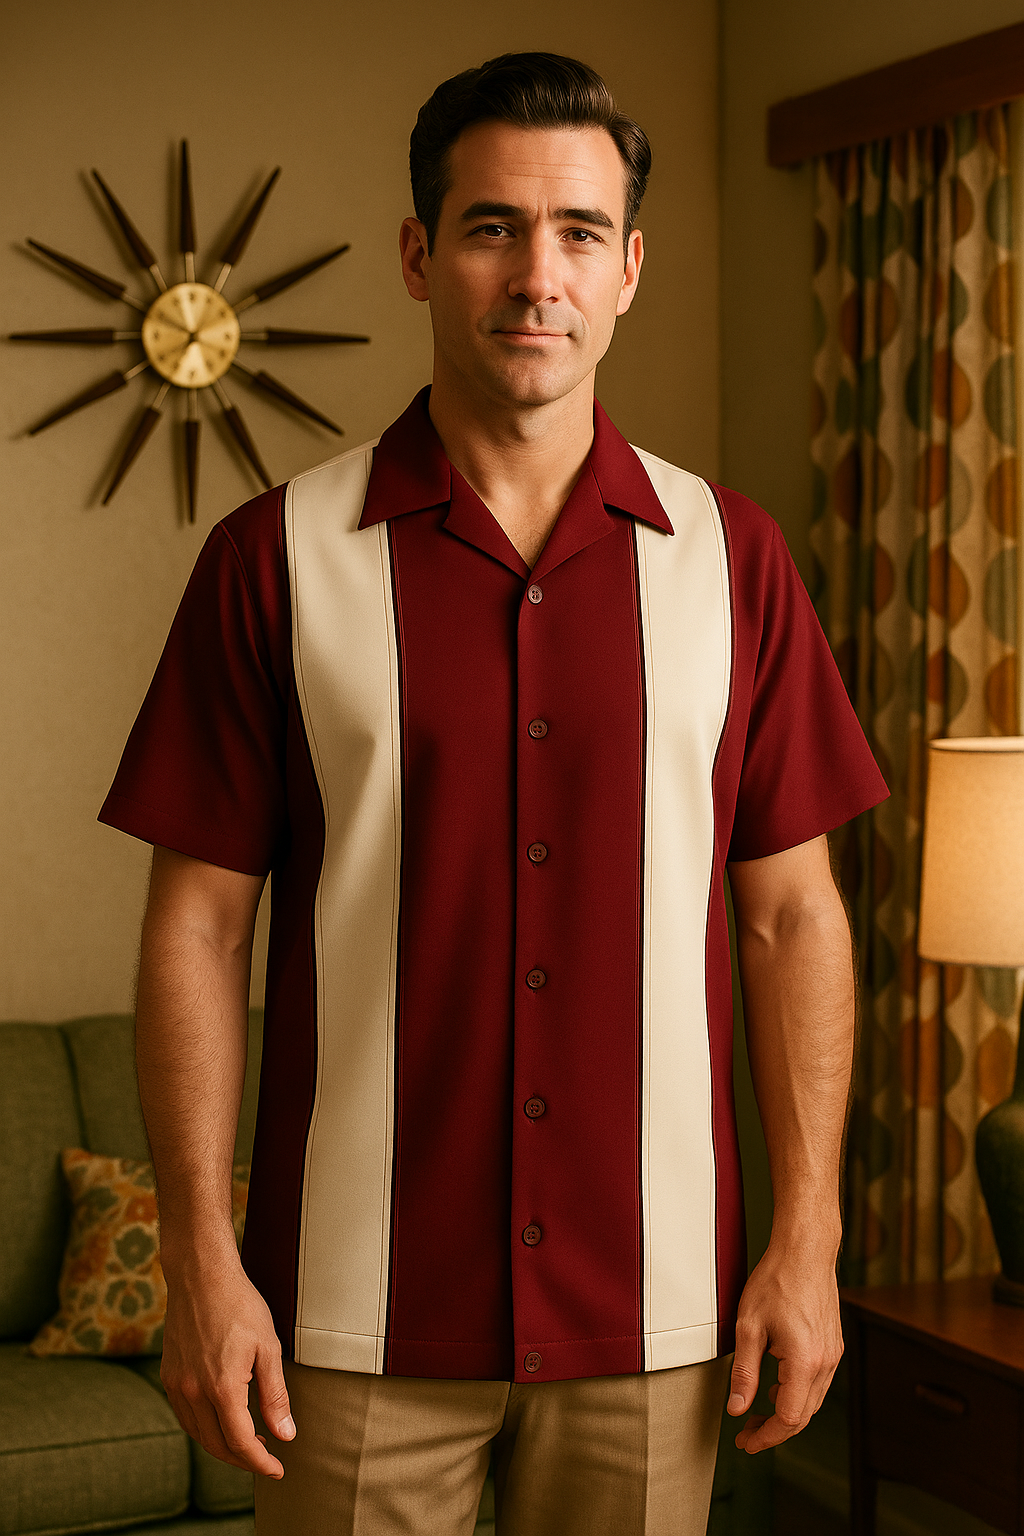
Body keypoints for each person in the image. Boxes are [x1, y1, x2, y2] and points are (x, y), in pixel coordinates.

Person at [99, 52, 887, 1536]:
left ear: (631, 267)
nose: (540, 277)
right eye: (491, 229)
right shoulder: (273, 561)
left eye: (580, 233)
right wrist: (203, 1256)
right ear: (419, 252)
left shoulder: (738, 562)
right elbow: (196, 931)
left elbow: (792, 921)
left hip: (655, 1325)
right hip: (350, 1321)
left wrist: (808, 1231)